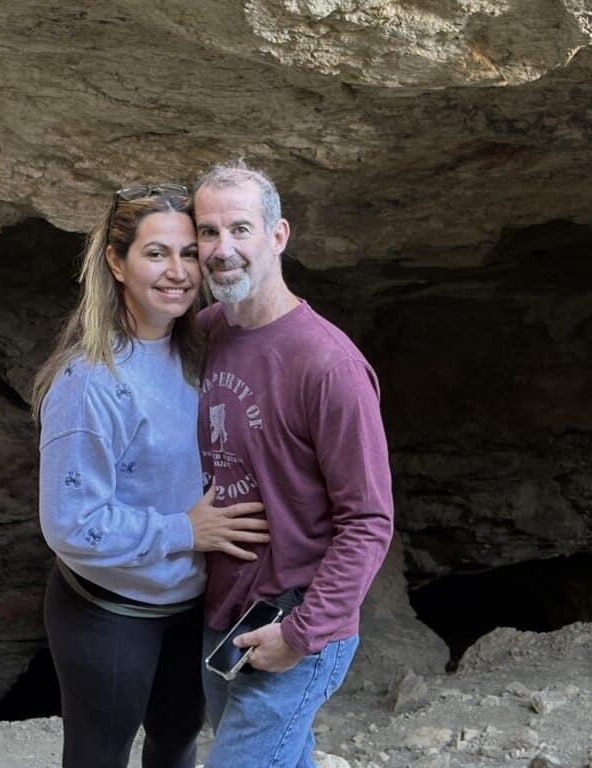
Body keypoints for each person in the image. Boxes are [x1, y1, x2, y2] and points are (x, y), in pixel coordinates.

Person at [31, 182, 270, 768]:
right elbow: (70, 524)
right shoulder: (91, 381)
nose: (178, 272)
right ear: (116, 262)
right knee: (100, 755)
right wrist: (184, 531)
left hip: (191, 606)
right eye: (156, 253)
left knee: (177, 744)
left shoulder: (200, 348)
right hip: (110, 613)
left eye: (189, 253)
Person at [193, 162, 395, 768]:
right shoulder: (205, 333)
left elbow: (369, 520)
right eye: (207, 232)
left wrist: (301, 634)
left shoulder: (328, 365)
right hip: (224, 617)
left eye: (240, 229)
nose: (221, 249)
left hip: (295, 623)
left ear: (278, 236)